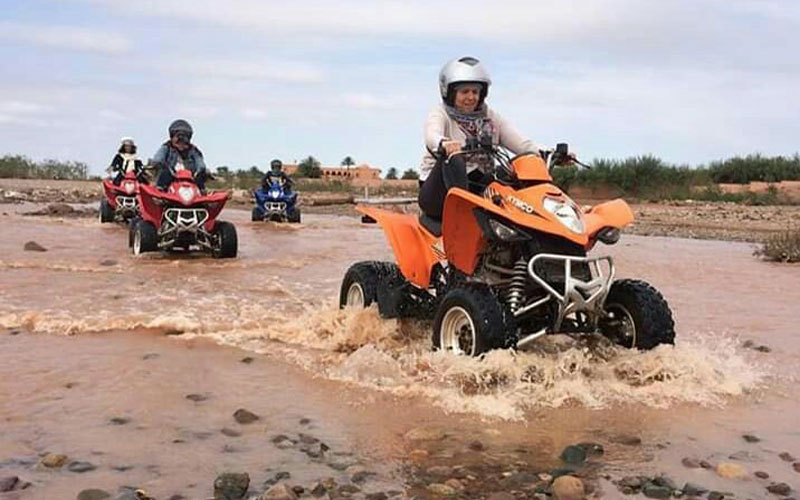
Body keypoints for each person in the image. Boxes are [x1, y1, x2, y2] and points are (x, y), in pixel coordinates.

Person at [418, 56, 546, 221]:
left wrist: (548, 152)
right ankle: (460, 217)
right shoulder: (440, 113)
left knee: (513, 173)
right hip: (438, 188)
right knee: (455, 160)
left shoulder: (490, 117)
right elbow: (431, 135)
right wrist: (444, 143)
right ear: (450, 93)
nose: (471, 97)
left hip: (477, 185)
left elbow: (522, 144)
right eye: (465, 92)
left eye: (475, 92)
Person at [151, 119, 209, 192]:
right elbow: (158, 159)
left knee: (200, 177)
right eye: (177, 137)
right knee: (165, 172)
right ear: (172, 137)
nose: (181, 141)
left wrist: (202, 170)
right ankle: (161, 191)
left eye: (184, 137)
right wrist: (156, 163)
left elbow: (200, 163)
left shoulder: (194, 150)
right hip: (171, 181)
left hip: (190, 181)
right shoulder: (166, 147)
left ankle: (202, 193)